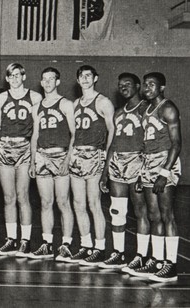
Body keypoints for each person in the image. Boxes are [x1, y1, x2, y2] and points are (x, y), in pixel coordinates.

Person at [131, 72, 181, 282]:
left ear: (162, 87)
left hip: (164, 163)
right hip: (148, 162)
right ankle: (157, 259)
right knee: (153, 216)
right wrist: (144, 171)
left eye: (152, 84)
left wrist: (164, 173)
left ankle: (171, 265)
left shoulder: (168, 108)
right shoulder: (146, 109)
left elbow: (176, 144)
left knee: (167, 214)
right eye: (145, 84)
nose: (147, 87)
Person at [99, 73, 149, 270]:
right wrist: (105, 172)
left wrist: (144, 168)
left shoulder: (146, 109)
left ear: (138, 86)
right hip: (117, 162)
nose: (124, 87)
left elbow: (150, 141)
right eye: (120, 85)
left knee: (140, 211)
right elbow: (113, 144)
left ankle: (141, 256)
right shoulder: (119, 112)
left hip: (137, 161)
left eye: (128, 84)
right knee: (117, 211)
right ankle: (118, 253)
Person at [0, 63, 41, 257]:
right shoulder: (0, 98)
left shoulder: (35, 98)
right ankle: (11, 239)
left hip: (24, 147)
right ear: (6, 78)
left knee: (23, 195)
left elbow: (37, 129)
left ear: (24, 76)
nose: (14, 79)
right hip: (4, 147)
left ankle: (25, 241)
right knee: (8, 197)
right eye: (11, 76)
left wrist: (33, 156)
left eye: (18, 75)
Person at [67, 65, 115, 265]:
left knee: (94, 203)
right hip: (77, 155)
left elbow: (112, 129)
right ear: (77, 80)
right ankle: (86, 245)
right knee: (78, 203)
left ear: (95, 78)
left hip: (95, 154)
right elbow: (72, 133)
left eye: (88, 75)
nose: (85, 79)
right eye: (81, 76)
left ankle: (100, 247)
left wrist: (105, 155)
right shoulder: (75, 103)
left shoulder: (103, 102)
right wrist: (69, 155)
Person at [28, 67, 76, 261]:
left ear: (58, 82)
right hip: (42, 156)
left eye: (51, 79)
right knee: (45, 202)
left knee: (63, 202)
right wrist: (32, 161)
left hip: (61, 154)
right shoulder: (36, 107)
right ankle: (47, 244)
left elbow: (74, 134)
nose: (47, 82)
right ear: (41, 82)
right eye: (44, 79)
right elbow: (35, 136)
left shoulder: (66, 104)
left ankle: (66, 244)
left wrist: (68, 158)